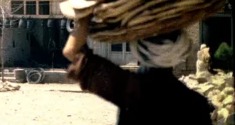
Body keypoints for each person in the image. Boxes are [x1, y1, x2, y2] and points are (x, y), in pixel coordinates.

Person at [63, 15, 214, 125]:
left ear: (139, 49)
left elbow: (72, 51)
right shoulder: (197, 104)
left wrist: (84, 16)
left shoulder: (128, 88)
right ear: (179, 51)